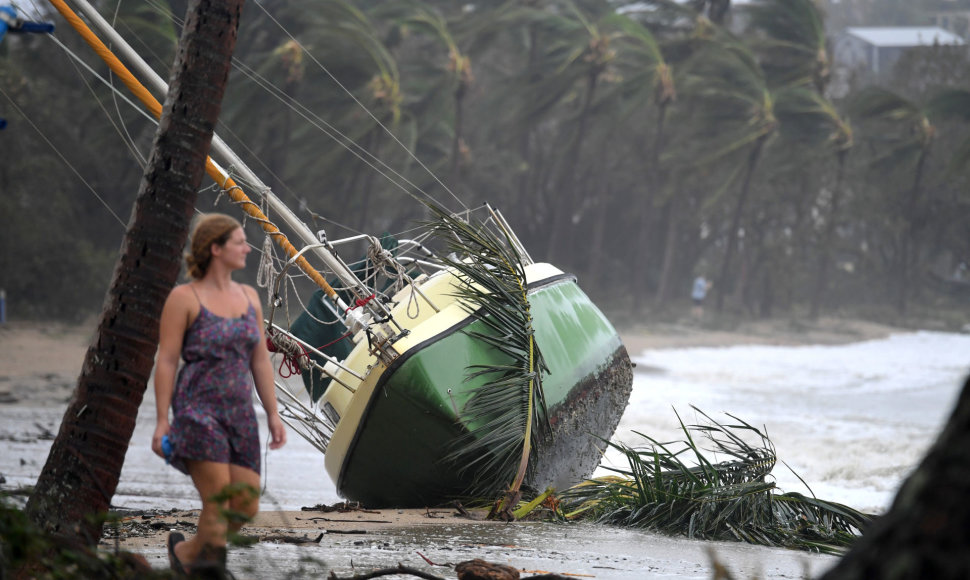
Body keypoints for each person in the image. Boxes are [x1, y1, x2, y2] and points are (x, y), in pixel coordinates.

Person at [152, 213, 286, 575]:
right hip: (197, 411)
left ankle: (188, 555)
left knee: (244, 503)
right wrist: (162, 421)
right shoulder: (184, 298)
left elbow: (260, 360)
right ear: (215, 248)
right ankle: (210, 570)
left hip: (240, 413)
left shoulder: (249, 298)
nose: (248, 247)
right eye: (239, 241)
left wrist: (273, 414)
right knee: (218, 499)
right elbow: (166, 361)